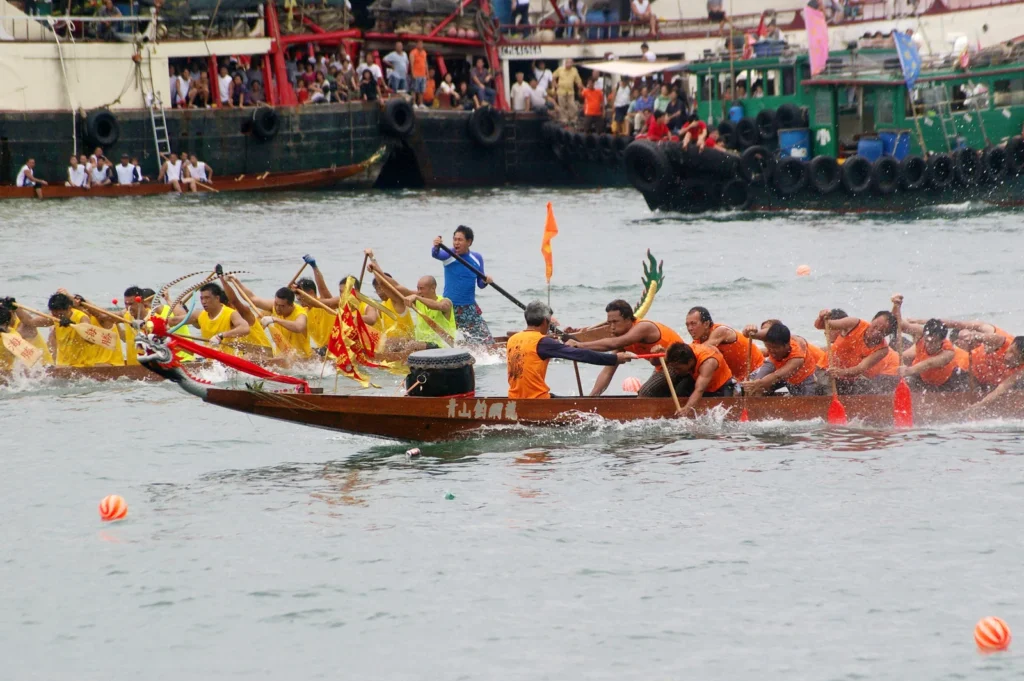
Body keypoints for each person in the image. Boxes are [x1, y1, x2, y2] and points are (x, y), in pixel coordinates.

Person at [507, 301, 634, 398]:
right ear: (546, 321)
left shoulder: (513, 339)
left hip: (514, 398)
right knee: (578, 410)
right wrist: (615, 358)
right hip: (537, 400)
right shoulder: (542, 341)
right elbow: (581, 355)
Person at [569, 299, 684, 397]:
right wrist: (592, 397)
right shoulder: (622, 338)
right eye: (609, 323)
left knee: (645, 392)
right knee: (648, 393)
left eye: (615, 322)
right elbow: (607, 372)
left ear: (628, 319)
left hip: (679, 364)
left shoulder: (643, 327)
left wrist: (580, 345)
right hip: (661, 365)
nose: (612, 327)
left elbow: (612, 344)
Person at [430, 227, 494, 345]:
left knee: (488, 342)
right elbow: (436, 254)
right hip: (450, 307)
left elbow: (480, 283)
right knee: (446, 342)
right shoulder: (449, 254)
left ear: (469, 242)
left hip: (469, 308)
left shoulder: (477, 258)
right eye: (455, 239)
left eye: (460, 240)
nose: (456, 243)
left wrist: (486, 281)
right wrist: (436, 245)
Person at [814, 308, 901, 394]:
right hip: (826, 369)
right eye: (875, 326)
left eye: (881, 332)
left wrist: (840, 372)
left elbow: (860, 368)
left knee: (871, 392)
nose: (875, 332)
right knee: (829, 394)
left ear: (887, 334)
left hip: (849, 375)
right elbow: (822, 325)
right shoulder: (854, 323)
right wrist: (821, 317)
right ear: (872, 320)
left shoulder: (882, 349)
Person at [923, 317, 1018, 392]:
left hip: (1004, 379)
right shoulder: (956, 354)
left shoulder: (993, 338)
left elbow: (994, 338)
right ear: (956, 342)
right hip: (984, 380)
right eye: (964, 339)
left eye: (967, 338)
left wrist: (975, 336)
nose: (968, 341)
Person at [741, 321, 829, 396]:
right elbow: (747, 334)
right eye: (768, 347)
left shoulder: (797, 358)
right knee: (753, 383)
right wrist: (749, 329)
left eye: (775, 348)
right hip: (774, 363)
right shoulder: (767, 335)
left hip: (804, 378)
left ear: (787, 345)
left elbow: (776, 376)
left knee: (806, 404)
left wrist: (759, 384)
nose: (772, 351)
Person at [231, 282, 312, 359]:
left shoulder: (301, 313)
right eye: (276, 304)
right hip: (282, 357)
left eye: (282, 306)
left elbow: (299, 327)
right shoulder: (275, 306)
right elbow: (252, 299)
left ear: (291, 305)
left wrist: (275, 319)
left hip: (301, 360)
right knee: (248, 355)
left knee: (250, 357)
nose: (277, 308)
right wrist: (236, 281)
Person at [170, 282, 251, 357]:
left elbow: (245, 328)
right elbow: (175, 320)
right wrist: (159, 324)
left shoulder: (231, 313)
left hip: (231, 359)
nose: (203, 302)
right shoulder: (199, 315)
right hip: (211, 361)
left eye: (207, 298)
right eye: (201, 298)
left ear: (217, 298)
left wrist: (221, 336)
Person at [684, 306, 765, 380]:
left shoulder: (721, 331)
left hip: (758, 368)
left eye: (693, 324)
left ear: (706, 324)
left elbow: (704, 349)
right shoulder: (697, 342)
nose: (690, 328)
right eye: (687, 325)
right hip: (738, 378)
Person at [663, 341, 737, 416]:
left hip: (721, 385)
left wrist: (686, 409)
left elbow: (700, 389)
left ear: (690, 361)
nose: (676, 371)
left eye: (678, 368)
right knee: (679, 391)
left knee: (723, 413)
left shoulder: (708, 363)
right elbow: (663, 358)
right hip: (698, 377)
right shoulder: (684, 352)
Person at [968, 337, 1024, 414]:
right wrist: (974, 335)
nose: (1009, 356)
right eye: (1011, 351)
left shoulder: (1021, 371)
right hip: (968, 368)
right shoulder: (1001, 342)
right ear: (1011, 345)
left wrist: (978, 405)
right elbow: (981, 329)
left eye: (1016, 357)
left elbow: (1001, 389)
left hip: (991, 381)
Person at [553, 58, 583, 127]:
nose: (569, 64)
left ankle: (573, 119)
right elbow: (554, 76)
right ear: (565, 63)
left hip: (570, 91)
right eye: (567, 62)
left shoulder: (574, 70)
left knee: (572, 105)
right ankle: (564, 119)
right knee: (562, 106)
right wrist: (555, 84)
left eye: (570, 63)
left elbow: (578, 80)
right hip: (561, 91)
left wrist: (579, 86)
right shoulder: (560, 69)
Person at [409, 40, 429, 108]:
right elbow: (411, 64)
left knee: (421, 90)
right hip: (416, 74)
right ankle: (414, 103)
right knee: (414, 89)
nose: (421, 45)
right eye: (419, 44)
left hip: (423, 74)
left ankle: (421, 103)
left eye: (422, 44)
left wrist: (427, 73)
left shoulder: (424, 52)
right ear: (417, 45)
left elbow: (425, 63)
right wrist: (413, 73)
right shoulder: (413, 52)